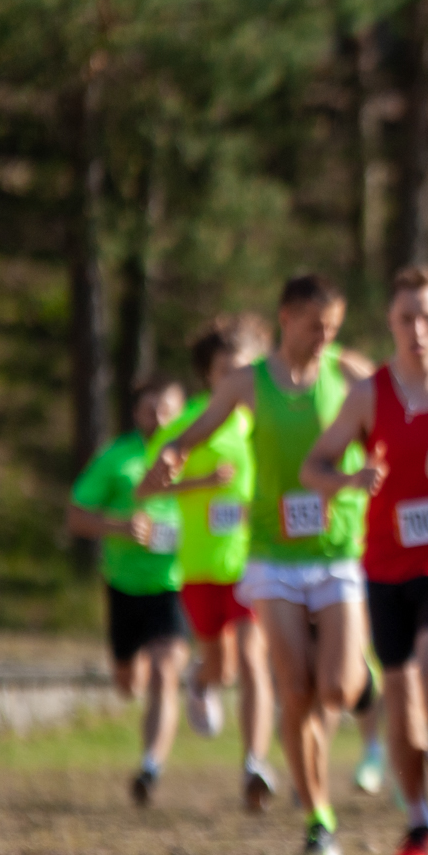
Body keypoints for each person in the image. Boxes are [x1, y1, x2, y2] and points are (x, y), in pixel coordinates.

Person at [146, 274, 374, 855]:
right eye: (315, 326)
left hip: (336, 549)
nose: (325, 337)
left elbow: (393, 422)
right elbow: (203, 427)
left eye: (333, 327)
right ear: (286, 318)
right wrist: (174, 452)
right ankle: (318, 816)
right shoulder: (250, 382)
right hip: (273, 555)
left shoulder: (348, 372)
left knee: (338, 689)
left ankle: (353, 676)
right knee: (294, 691)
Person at [301, 267, 428, 855]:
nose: (418, 329)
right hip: (385, 562)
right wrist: (349, 479)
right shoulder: (368, 394)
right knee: (401, 705)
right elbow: (314, 467)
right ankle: (416, 821)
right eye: (406, 318)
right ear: (391, 324)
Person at [141, 316, 278, 811]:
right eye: (227, 370)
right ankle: (200, 680)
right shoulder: (188, 424)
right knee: (220, 664)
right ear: (208, 374)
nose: (239, 378)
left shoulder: (269, 417)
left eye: (247, 368)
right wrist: (199, 485)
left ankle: (254, 763)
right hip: (199, 564)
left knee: (252, 659)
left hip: (254, 561)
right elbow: (145, 488)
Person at [68, 374, 191, 805]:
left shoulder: (199, 457)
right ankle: (134, 679)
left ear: (184, 411)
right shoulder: (116, 458)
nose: (159, 417)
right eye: (150, 408)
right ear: (136, 411)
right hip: (123, 584)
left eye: (168, 408)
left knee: (164, 670)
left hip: (176, 584)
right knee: (128, 683)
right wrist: (120, 527)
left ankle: (150, 767)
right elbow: (77, 516)